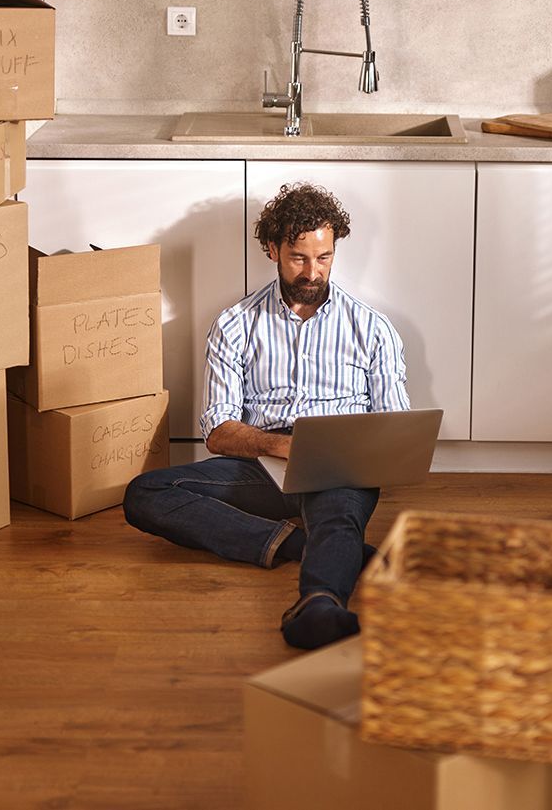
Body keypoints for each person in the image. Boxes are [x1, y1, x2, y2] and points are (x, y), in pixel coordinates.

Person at [123, 183, 409, 650]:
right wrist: (279, 446)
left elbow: (394, 429)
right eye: (299, 257)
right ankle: (307, 546)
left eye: (324, 257)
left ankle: (318, 604)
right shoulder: (235, 324)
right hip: (261, 464)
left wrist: (355, 453)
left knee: (337, 512)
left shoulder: (373, 330)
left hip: (337, 465)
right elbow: (218, 431)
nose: (312, 271)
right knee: (145, 493)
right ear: (272, 249)